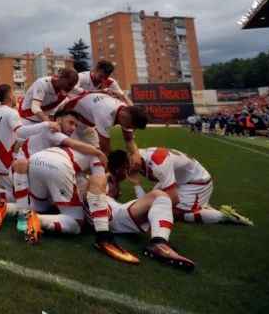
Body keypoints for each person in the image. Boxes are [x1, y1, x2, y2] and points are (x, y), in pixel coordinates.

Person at [21, 146, 137, 264]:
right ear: (118, 168)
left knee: (41, 208)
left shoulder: (89, 153)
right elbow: (93, 185)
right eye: (127, 166)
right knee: (77, 223)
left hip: (37, 159)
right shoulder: (100, 169)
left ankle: (19, 211)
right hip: (59, 166)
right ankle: (37, 219)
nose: (130, 169)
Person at [0, 84, 60, 232]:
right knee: (18, 195)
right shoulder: (11, 112)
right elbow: (22, 131)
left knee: (16, 188)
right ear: (10, 96)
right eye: (13, 92)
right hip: (2, 159)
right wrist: (46, 125)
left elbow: (8, 135)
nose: (15, 96)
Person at [107, 148, 254, 226]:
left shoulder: (158, 165)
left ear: (127, 164)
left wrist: (137, 185)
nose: (121, 174)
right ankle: (197, 204)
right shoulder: (136, 159)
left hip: (197, 182)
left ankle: (225, 216)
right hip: (179, 179)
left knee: (174, 213)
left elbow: (174, 199)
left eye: (120, 171)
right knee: (153, 200)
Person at [99, 184, 195, 270]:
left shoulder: (105, 192)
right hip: (113, 214)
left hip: (117, 210)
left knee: (160, 197)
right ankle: (159, 243)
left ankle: (159, 241)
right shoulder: (94, 183)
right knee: (159, 196)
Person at [61, 92, 148, 162]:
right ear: (124, 117)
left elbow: (129, 138)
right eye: (131, 126)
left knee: (94, 155)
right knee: (70, 153)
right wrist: (117, 166)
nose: (132, 129)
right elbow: (105, 149)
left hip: (86, 122)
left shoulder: (128, 114)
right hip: (69, 116)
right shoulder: (105, 113)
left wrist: (136, 154)